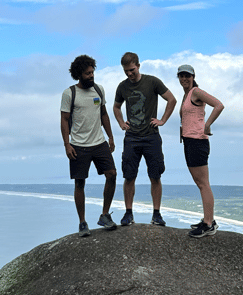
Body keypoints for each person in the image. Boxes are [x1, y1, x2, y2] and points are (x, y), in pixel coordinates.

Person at [113, 52, 177, 226]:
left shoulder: (152, 82)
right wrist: (120, 122)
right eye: (126, 71)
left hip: (151, 137)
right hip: (132, 137)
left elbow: (171, 99)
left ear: (138, 65)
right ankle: (128, 214)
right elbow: (116, 107)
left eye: (132, 70)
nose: (129, 74)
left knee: (155, 176)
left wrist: (162, 120)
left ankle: (156, 214)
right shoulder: (122, 87)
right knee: (129, 176)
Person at [60, 55, 117, 237]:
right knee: (80, 183)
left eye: (92, 72)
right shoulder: (69, 93)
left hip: (99, 142)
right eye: (87, 73)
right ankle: (82, 223)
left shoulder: (99, 90)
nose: (91, 75)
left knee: (112, 174)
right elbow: (64, 119)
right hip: (78, 145)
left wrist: (110, 137)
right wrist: (67, 145)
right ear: (79, 74)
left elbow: (104, 114)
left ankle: (105, 215)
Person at [176, 64, 225, 238]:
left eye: (187, 76)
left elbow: (218, 105)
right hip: (189, 142)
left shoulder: (196, 92)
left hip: (198, 142)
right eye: (181, 76)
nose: (184, 79)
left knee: (203, 183)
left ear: (193, 76)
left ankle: (208, 224)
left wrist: (207, 124)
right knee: (200, 182)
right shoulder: (186, 95)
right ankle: (208, 219)